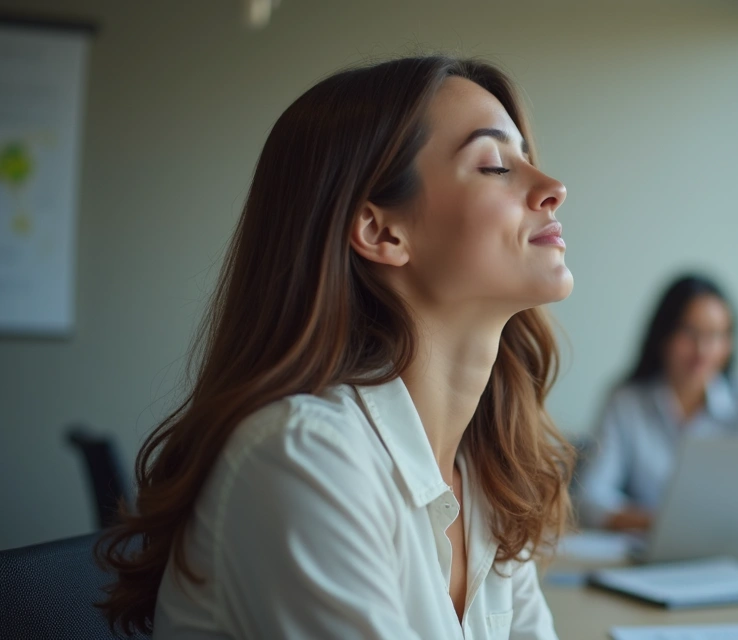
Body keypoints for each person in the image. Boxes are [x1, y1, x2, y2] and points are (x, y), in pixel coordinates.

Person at [96, 56, 574, 639]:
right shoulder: (301, 456)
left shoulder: (484, 474)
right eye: (496, 164)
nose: (553, 188)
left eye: (528, 158)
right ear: (380, 231)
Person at [577, 274, 738, 532]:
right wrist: (662, 525)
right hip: (648, 551)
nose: (702, 350)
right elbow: (590, 498)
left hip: (735, 549)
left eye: (716, 335)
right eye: (689, 333)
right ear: (663, 335)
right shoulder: (625, 402)